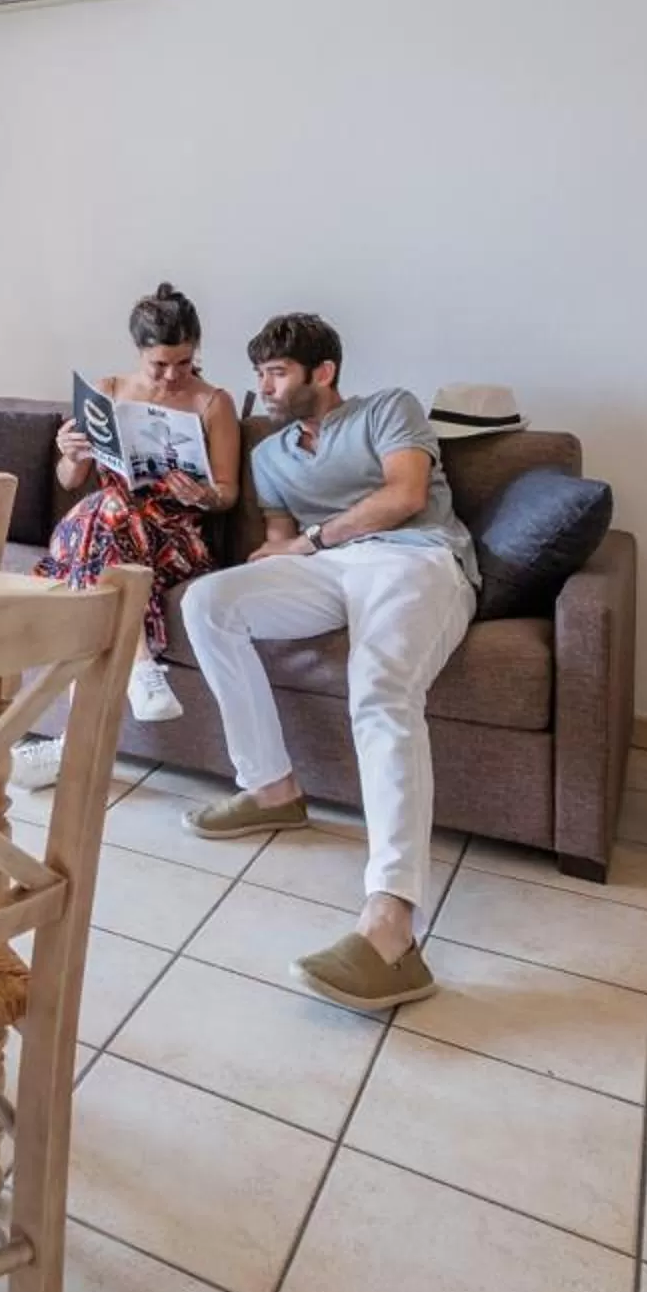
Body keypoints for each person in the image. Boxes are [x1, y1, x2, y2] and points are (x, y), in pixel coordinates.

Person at [173, 312, 476, 1010]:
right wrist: (273, 555)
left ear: (323, 373)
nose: (264, 387)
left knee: (380, 688)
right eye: (259, 375)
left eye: (276, 373)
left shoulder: (387, 409)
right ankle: (271, 789)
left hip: (415, 560)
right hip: (326, 570)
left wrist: (311, 540)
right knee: (208, 603)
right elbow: (280, 541)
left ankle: (391, 929)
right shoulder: (269, 454)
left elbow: (404, 497)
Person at [37, 283, 241, 725]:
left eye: (184, 363)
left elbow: (228, 494)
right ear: (139, 351)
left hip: (174, 538)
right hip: (109, 524)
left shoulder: (213, 403)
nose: (173, 376)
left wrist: (203, 493)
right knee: (106, 507)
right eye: (160, 365)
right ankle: (142, 668)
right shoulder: (107, 391)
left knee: (100, 518)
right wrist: (71, 454)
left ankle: (71, 738)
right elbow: (70, 481)